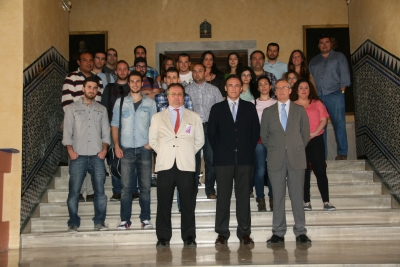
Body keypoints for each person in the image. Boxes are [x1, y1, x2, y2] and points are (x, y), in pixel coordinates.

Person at [149, 83, 204, 248]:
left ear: (184, 96)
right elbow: (152, 141)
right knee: (164, 203)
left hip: (186, 165)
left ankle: (189, 237)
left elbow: (199, 141)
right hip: (165, 165)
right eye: (173, 94)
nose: (176, 97)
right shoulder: (157, 117)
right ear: (167, 96)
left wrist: (185, 151)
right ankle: (163, 238)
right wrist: (167, 152)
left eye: (179, 94)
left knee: (188, 203)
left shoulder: (194, 117)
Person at [208, 74, 260, 246]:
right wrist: (223, 151)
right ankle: (222, 233)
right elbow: (212, 135)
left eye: (237, 85)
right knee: (223, 197)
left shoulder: (249, 107)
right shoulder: (216, 108)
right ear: (225, 87)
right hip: (223, 160)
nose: (233, 88)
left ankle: (244, 233)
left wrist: (245, 150)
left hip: (245, 158)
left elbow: (255, 133)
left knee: (243, 197)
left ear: (241, 88)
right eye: (230, 85)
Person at [260, 79, 311, 245]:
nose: (281, 90)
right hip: (276, 159)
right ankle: (278, 232)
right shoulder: (268, 112)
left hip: (296, 158)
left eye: (284, 87)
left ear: (290, 90)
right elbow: (265, 136)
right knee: (278, 196)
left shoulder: (300, 110)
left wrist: (293, 147)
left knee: (297, 196)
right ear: (275, 91)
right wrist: (278, 148)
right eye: (278, 88)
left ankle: (300, 231)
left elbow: (305, 134)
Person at [62, 76, 110, 232]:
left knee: (100, 193)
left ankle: (99, 222)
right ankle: (73, 222)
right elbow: (67, 132)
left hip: (97, 156)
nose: (92, 90)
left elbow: (106, 133)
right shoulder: (71, 109)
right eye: (89, 87)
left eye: (95, 88)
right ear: (83, 88)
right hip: (78, 156)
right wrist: (70, 151)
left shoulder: (102, 110)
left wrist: (104, 150)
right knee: (74, 192)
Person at [111, 71, 157, 230]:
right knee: (125, 188)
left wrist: (150, 144)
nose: (135, 84)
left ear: (141, 83)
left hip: (145, 150)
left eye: (138, 81)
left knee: (145, 187)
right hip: (126, 150)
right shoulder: (120, 102)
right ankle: (125, 220)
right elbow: (114, 124)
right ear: (128, 83)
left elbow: (155, 125)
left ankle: (145, 219)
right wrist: (116, 145)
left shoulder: (150, 103)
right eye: (132, 81)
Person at [62, 51, 103, 202]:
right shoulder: (71, 78)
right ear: (79, 62)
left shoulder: (98, 79)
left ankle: (91, 191)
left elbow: (99, 104)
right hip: (76, 123)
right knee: (77, 157)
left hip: (94, 123)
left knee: (92, 157)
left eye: (91, 60)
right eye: (85, 60)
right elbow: (66, 104)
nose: (88, 62)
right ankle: (77, 191)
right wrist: (77, 120)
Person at [290, 79, 336, 211]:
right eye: (301, 88)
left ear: (310, 89)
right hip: (299, 141)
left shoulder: (317, 103)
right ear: (296, 90)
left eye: (306, 87)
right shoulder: (292, 105)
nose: (304, 90)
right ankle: (306, 202)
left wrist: (315, 133)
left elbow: (324, 119)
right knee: (303, 172)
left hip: (316, 139)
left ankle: (326, 202)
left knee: (320, 170)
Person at [101, 60, 140, 201]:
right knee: (115, 160)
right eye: (120, 69)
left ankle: (134, 189)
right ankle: (117, 190)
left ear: (128, 71)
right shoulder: (110, 88)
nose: (123, 71)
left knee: (133, 159)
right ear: (115, 71)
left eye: (125, 69)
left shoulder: (134, 88)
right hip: (114, 129)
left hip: (132, 130)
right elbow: (104, 110)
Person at [309, 34, 351, 160]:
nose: (324, 45)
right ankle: (322, 155)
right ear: (318, 45)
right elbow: (311, 80)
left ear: (330, 44)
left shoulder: (339, 57)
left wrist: (341, 92)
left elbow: (345, 76)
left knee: (339, 124)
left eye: (327, 42)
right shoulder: (314, 61)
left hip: (335, 95)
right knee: (320, 127)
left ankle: (342, 153)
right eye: (321, 43)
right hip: (318, 98)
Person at [185, 63, 223, 199]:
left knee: (211, 159)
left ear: (205, 72)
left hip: (210, 127)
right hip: (192, 127)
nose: (197, 74)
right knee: (192, 160)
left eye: (199, 71)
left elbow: (221, 111)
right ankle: (192, 189)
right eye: (194, 71)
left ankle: (210, 190)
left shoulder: (214, 90)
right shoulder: (186, 90)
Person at [251, 76, 277, 212]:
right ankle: (260, 200)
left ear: (270, 86)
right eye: (260, 84)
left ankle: (273, 199)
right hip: (259, 141)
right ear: (258, 88)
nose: (263, 86)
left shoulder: (276, 103)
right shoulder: (252, 103)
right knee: (260, 171)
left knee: (272, 170)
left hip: (274, 141)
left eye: (266, 84)